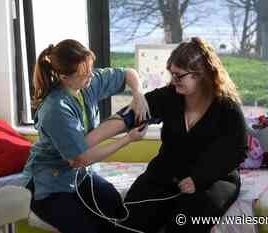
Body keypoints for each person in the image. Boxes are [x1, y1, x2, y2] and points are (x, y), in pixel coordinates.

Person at [92, 37, 247, 233]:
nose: (173, 80)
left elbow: (238, 151)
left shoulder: (227, 107)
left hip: (213, 178)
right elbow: (127, 116)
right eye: (171, 74)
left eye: (179, 76)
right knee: (129, 221)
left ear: (200, 75)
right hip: (166, 173)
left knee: (183, 224)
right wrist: (87, 142)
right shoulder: (169, 96)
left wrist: (200, 178)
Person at [21, 39, 150, 233]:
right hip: (49, 185)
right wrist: (127, 139)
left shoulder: (86, 84)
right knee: (89, 228)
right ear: (64, 77)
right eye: (84, 73)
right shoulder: (55, 109)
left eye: (91, 68)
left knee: (114, 203)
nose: (91, 75)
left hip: (79, 177)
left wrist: (138, 94)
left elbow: (128, 74)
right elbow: (80, 159)